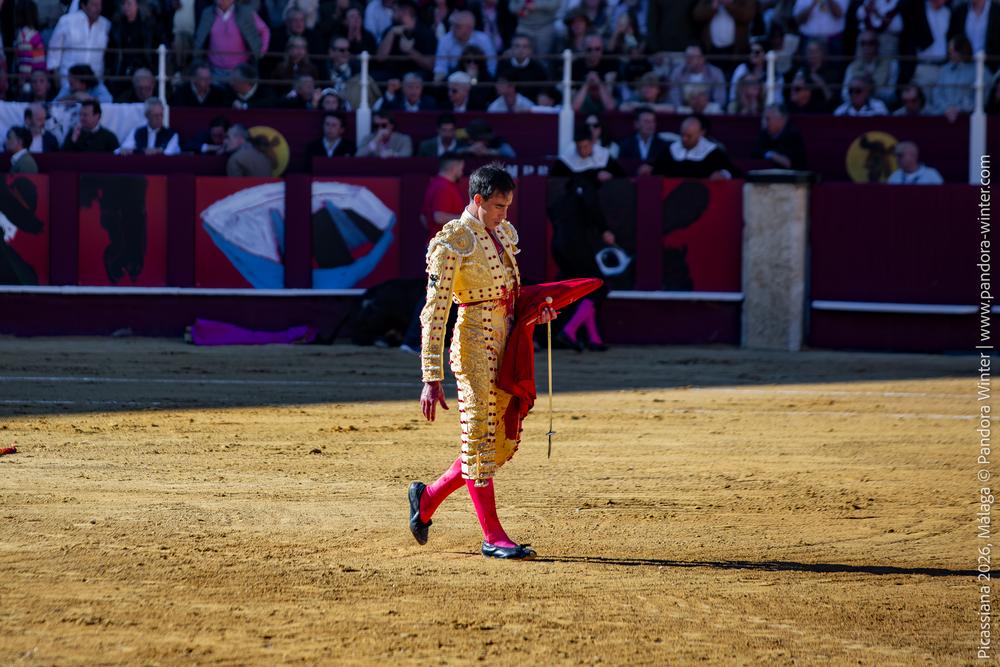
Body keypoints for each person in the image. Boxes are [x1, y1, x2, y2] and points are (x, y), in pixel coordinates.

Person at [411, 163, 558, 561]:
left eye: (507, 206)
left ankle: (427, 499)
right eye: (497, 206)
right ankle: (494, 536)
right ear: (477, 200)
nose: (504, 215)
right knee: (478, 439)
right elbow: (435, 311)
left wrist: (536, 313)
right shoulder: (452, 241)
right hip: (474, 347)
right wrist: (431, 376)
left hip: (507, 345)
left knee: (500, 444)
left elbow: (513, 295)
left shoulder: (504, 234)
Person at [549, 125, 624, 352]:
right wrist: (605, 230)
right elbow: (593, 209)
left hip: (559, 245)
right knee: (599, 287)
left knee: (585, 289)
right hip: (577, 245)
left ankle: (594, 338)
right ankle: (569, 331)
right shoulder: (586, 186)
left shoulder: (565, 191)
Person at [46, 0, 111, 100]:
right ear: (83, 6)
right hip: (68, 82)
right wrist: (55, 75)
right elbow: (54, 50)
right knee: (60, 104)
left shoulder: (106, 25)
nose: (98, 8)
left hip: (94, 82)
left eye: (99, 5)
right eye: (94, 4)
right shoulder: (66, 21)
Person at [193, 0, 270, 80]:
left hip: (241, 73)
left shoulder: (246, 12)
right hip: (214, 71)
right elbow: (199, 39)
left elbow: (264, 30)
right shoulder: (207, 13)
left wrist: (261, 51)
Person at [647, 115, 738, 179]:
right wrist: (649, 169)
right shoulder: (671, 150)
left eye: (689, 136)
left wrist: (723, 175)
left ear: (701, 133)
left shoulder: (714, 153)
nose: (684, 139)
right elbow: (657, 170)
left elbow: (732, 172)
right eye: (682, 135)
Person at [433, 10, 497, 80]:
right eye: (452, 25)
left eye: (457, 26)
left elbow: (492, 66)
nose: (452, 29)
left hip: (480, 78)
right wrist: (438, 82)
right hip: (454, 78)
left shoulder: (483, 40)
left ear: (469, 28)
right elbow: (441, 67)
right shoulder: (445, 40)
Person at [841, 30, 898, 104]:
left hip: (881, 106)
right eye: (863, 43)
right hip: (856, 106)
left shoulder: (891, 65)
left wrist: (872, 89)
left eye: (871, 43)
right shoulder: (852, 66)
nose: (866, 47)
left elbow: (891, 95)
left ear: (878, 45)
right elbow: (844, 94)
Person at [928, 35, 977, 119]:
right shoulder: (944, 70)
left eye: (952, 51)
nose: (950, 54)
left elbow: (979, 98)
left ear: (962, 51)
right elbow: (937, 94)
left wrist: (959, 109)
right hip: (943, 115)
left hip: (967, 117)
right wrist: (947, 108)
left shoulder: (978, 71)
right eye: (949, 51)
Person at [420, 153, 465, 240]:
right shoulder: (444, 187)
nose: (462, 172)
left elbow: (423, 217)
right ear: (454, 168)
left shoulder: (435, 184)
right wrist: (466, 218)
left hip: (438, 241)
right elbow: (439, 217)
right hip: (445, 243)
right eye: (461, 168)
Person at [495, 34, 550, 101]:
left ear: (530, 50)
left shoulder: (537, 67)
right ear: (511, 48)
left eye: (525, 47)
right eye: (517, 46)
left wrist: (542, 95)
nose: (521, 50)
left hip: (531, 103)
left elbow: (545, 88)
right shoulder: (503, 64)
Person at [752, 104, 807, 169]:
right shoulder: (764, 134)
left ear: (780, 119)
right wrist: (769, 154)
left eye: (767, 119)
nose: (764, 123)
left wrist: (773, 156)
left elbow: (791, 164)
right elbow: (755, 154)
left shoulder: (793, 135)